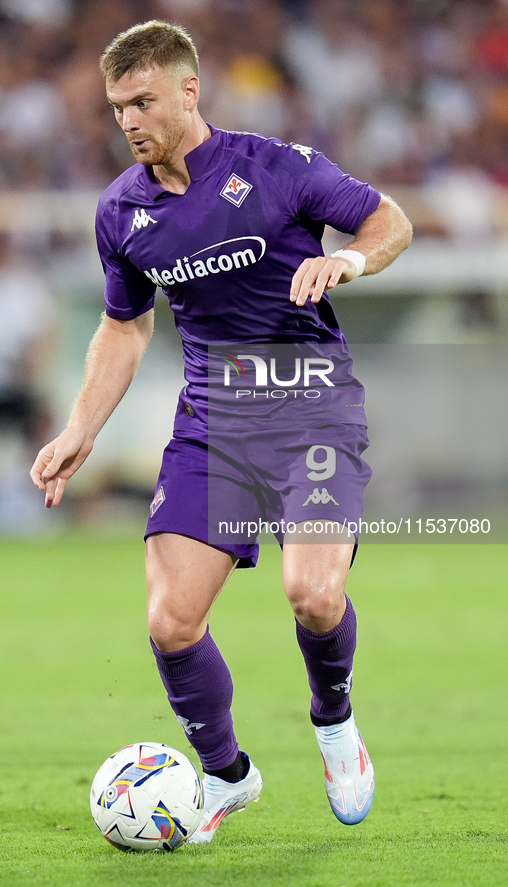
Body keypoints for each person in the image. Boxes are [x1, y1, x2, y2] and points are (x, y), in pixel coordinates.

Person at [30, 20, 412, 843]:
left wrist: (347, 261)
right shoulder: (121, 211)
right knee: (169, 621)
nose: (129, 120)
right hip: (214, 421)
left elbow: (389, 221)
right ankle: (225, 776)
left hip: (312, 403)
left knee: (312, 595)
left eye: (143, 101)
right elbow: (124, 328)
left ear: (187, 91)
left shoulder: (275, 167)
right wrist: (79, 429)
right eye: (116, 107)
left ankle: (333, 720)